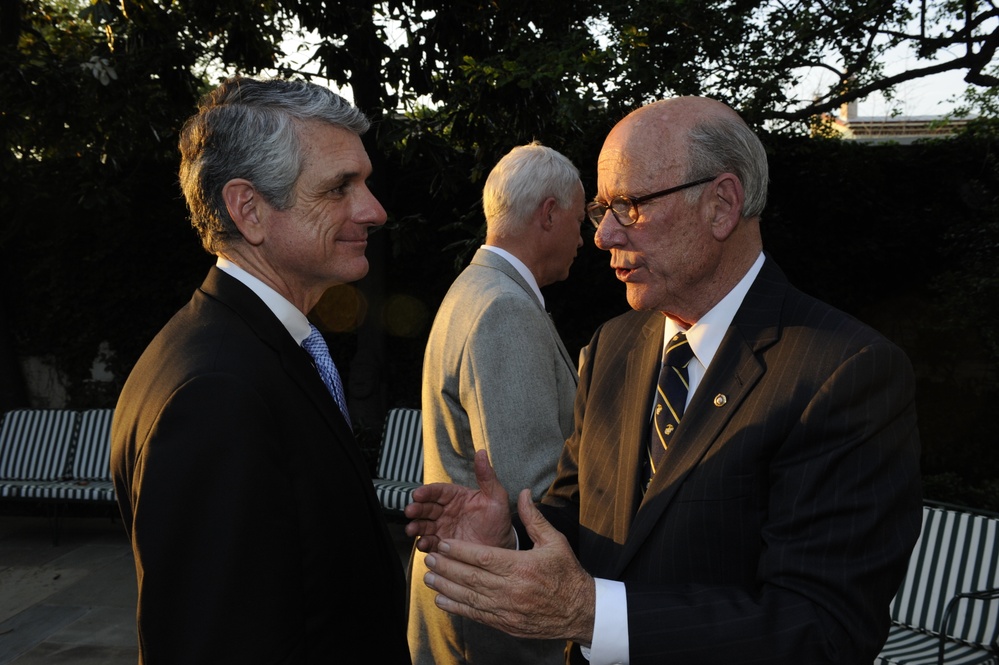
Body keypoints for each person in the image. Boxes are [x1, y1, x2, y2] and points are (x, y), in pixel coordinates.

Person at [404, 96, 923, 664]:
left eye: (628, 205)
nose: (602, 236)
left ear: (722, 204)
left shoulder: (846, 372)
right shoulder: (614, 347)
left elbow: (823, 632)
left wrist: (591, 614)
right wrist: (509, 537)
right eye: (602, 208)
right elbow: (576, 517)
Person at [110, 76, 411, 663]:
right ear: (248, 209)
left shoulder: (253, 346)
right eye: (339, 188)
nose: (374, 210)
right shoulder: (216, 392)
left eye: (366, 183)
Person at [409, 142, 584, 665]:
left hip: (461, 588)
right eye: (579, 220)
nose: (588, 238)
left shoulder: (474, 288)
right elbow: (528, 483)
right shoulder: (505, 308)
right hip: (490, 611)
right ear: (548, 214)